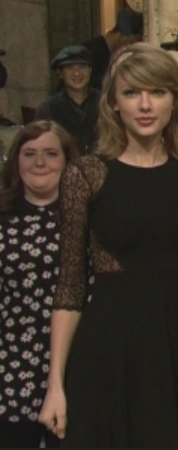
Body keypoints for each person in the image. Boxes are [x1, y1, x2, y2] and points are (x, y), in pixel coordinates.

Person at [37, 42, 178, 447]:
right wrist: (54, 385)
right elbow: (70, 287)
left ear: (174, 100)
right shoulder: (86, 175)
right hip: (109, 350)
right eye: (131, 93)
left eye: (157, 92)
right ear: (113, 102)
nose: (145, 105)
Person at [0, 121, 78, 448]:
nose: (40, 162)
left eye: (50, 153)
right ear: (16, 161)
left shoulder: (86, 219)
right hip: (12, 364)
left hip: (77, 364)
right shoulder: (3, 218)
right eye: (29, 154)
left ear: (67, 161)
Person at [34, 46, 100, 154]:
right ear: (60, 73)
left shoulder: (107, 102)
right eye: (69, 67)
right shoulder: (48, 108)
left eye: (82, 66)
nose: (77, 73)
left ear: (90, 70)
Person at [81, 9, 144, 90]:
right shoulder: (92, 51)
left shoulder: (105, 50)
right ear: (121, 37)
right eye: (131, 42)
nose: (130, 46)